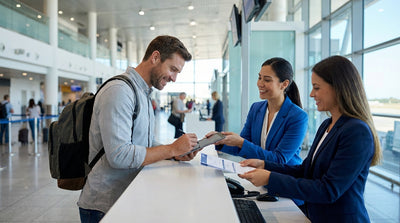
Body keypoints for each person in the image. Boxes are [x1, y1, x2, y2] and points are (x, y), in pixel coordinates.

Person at [239, 55, 382, 223]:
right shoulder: (327, 125)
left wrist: (270, 178)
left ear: (338, 88)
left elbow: (328, 190)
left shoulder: (357, 132)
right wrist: (265, 165)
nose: (311, 94)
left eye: (317, 87)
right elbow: (306, 171)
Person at [77, 35, 198, 223]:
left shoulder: (142, 92)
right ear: (155, 57)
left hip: (125, 198)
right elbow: (119, 155)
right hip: (104, 206)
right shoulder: (119, 91)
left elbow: (144, 143)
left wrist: (175, 153)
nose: (174, 78)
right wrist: (172, 149)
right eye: (173, 69)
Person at [208, 58, 308, 166]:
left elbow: (279, 159)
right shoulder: (256, 109)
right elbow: (244, 146)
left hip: (285, 179)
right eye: (259, 77)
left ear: (284, 84)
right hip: (259, 176)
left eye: (267, 80)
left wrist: (241, 142)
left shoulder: (298, 117)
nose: (260, 83)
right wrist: (219, 142)